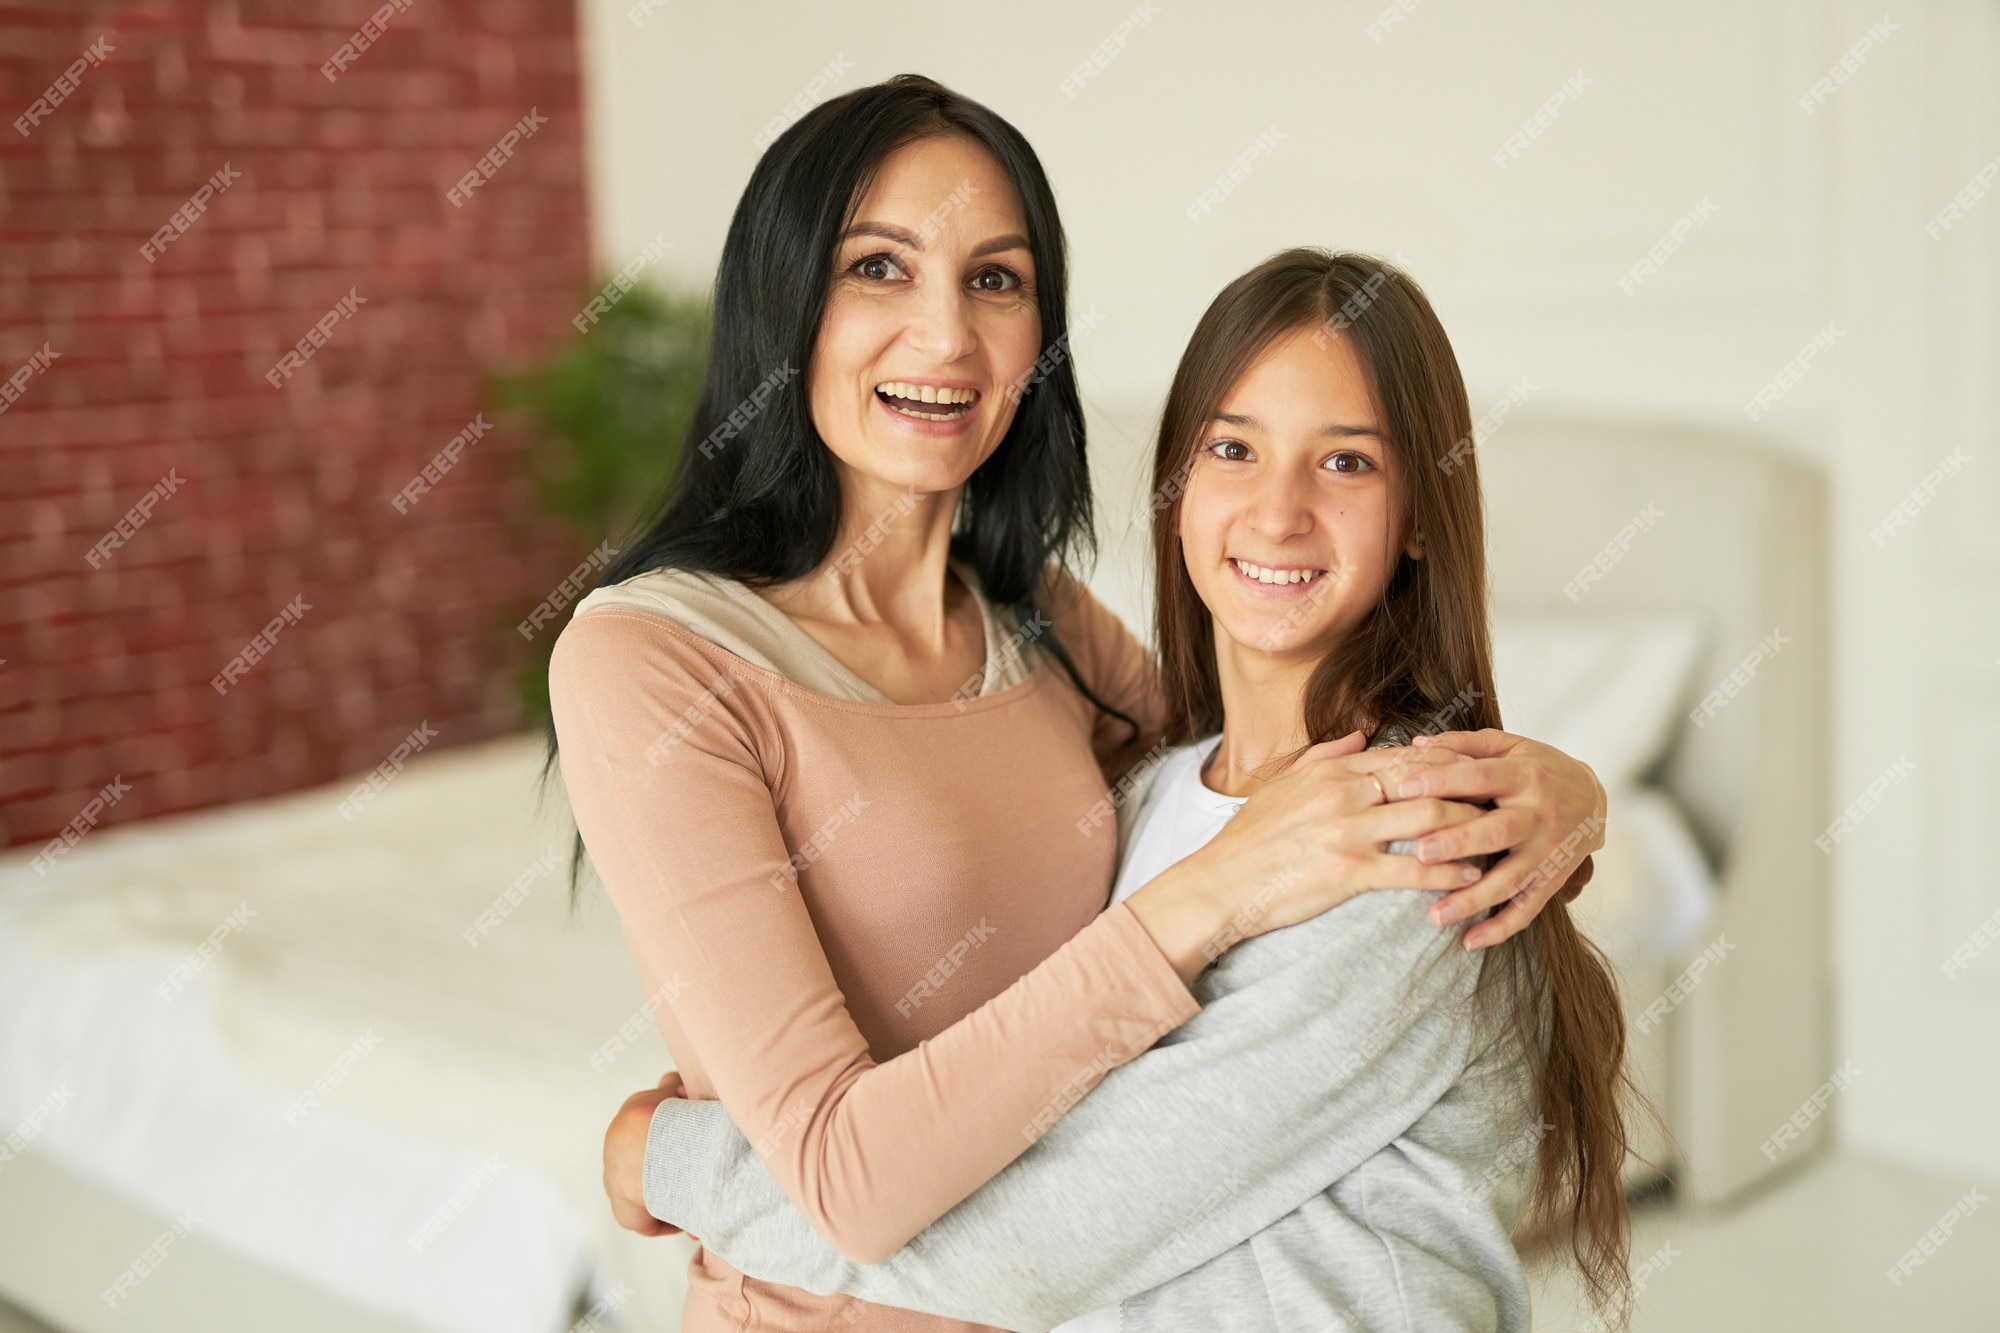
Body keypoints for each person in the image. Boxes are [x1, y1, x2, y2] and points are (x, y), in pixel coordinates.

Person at [549, 76, 1606, 1333]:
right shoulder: (653, 659)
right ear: (781, 300)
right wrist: (1208, 897)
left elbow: (1246, 788)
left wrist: (1562, 792)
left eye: (995, 279)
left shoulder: (1036, 617)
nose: (945, 337)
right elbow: (849, 1177)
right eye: (878, 267)